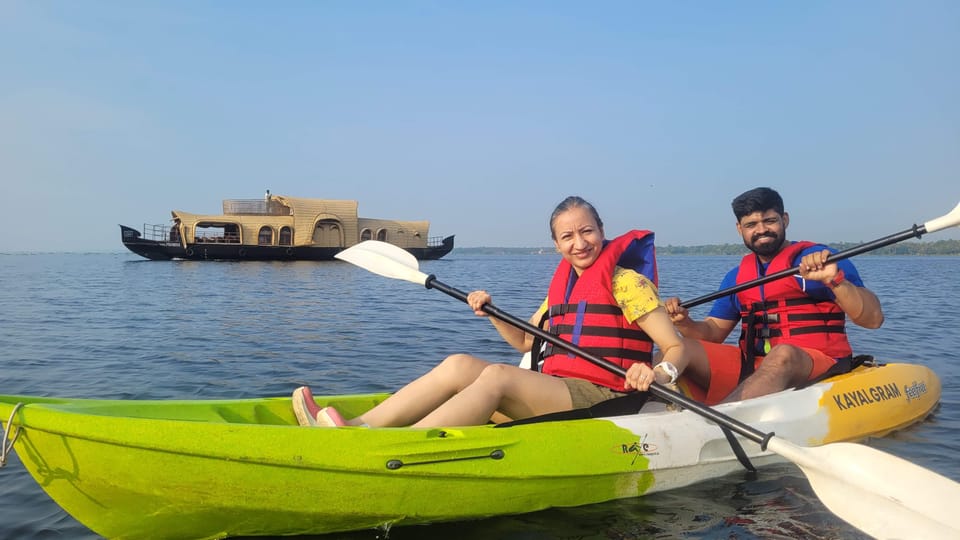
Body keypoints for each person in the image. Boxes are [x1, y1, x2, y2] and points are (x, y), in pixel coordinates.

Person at [293, 195, 707, 428]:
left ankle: (396, 446)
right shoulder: (563, 285)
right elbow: (527, 341)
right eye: (568, 236)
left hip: (607, 396)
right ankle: (361, 426)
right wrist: (492, 312)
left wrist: (656, 372)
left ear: (602, 232)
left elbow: (676, 347)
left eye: (587, 231)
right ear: (557, 243)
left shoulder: (627, 283)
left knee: (496, 375)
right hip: (558, 387)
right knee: (459, 364)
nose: (579, 243)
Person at [664, 187, 883, 403]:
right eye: (751, 225)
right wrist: (684, 323)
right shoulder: (737, 277)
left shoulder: (821, 260)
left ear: (784, 220)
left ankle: (718, 421)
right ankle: (647, 412)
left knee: (783, 354)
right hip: (754, 368)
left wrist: (834, 281)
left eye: (769, 221)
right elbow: (712, 334)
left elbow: (873, 319)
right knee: (681, 348)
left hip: (818, 363)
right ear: (740, 229)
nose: (761, 230)